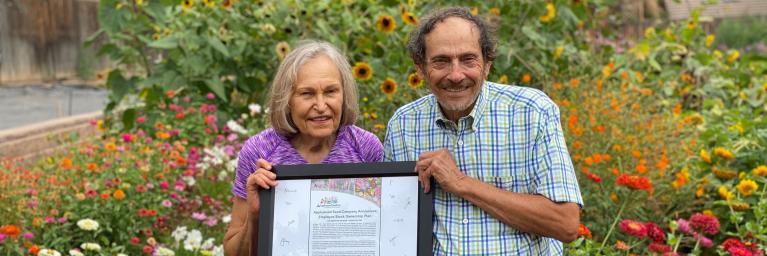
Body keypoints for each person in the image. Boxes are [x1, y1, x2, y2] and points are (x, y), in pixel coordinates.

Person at [383, 7, 583, 255]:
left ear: (487, 64)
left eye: (468, 59)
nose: (456, 75)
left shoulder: (533, 112)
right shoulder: (403, 125)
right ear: (421, 68)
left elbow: (565, 224)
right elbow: (393, 225)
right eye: (441, 61)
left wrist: (460, 183)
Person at [224, 41, 383, 256]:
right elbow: (232, 253)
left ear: (344, 93)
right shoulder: (259, 152)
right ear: (287, 100)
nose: (320, 105)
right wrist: (255, 215)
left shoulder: (365, 147)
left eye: (330, 91)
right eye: (307, 94)